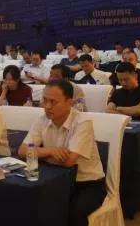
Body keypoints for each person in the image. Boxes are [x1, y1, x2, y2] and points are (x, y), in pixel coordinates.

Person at [19, 80, 105, 226]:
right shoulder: (42, 120)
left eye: (53, 102)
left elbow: (69, 161)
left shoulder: (82, 122)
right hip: (55, 180)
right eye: (44, 100)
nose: (47, 106)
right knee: (29, 200)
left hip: (86, 183)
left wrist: (38, 155)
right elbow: (22, 150)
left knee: (73, 211)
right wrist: (50, 151)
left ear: (69, 102)